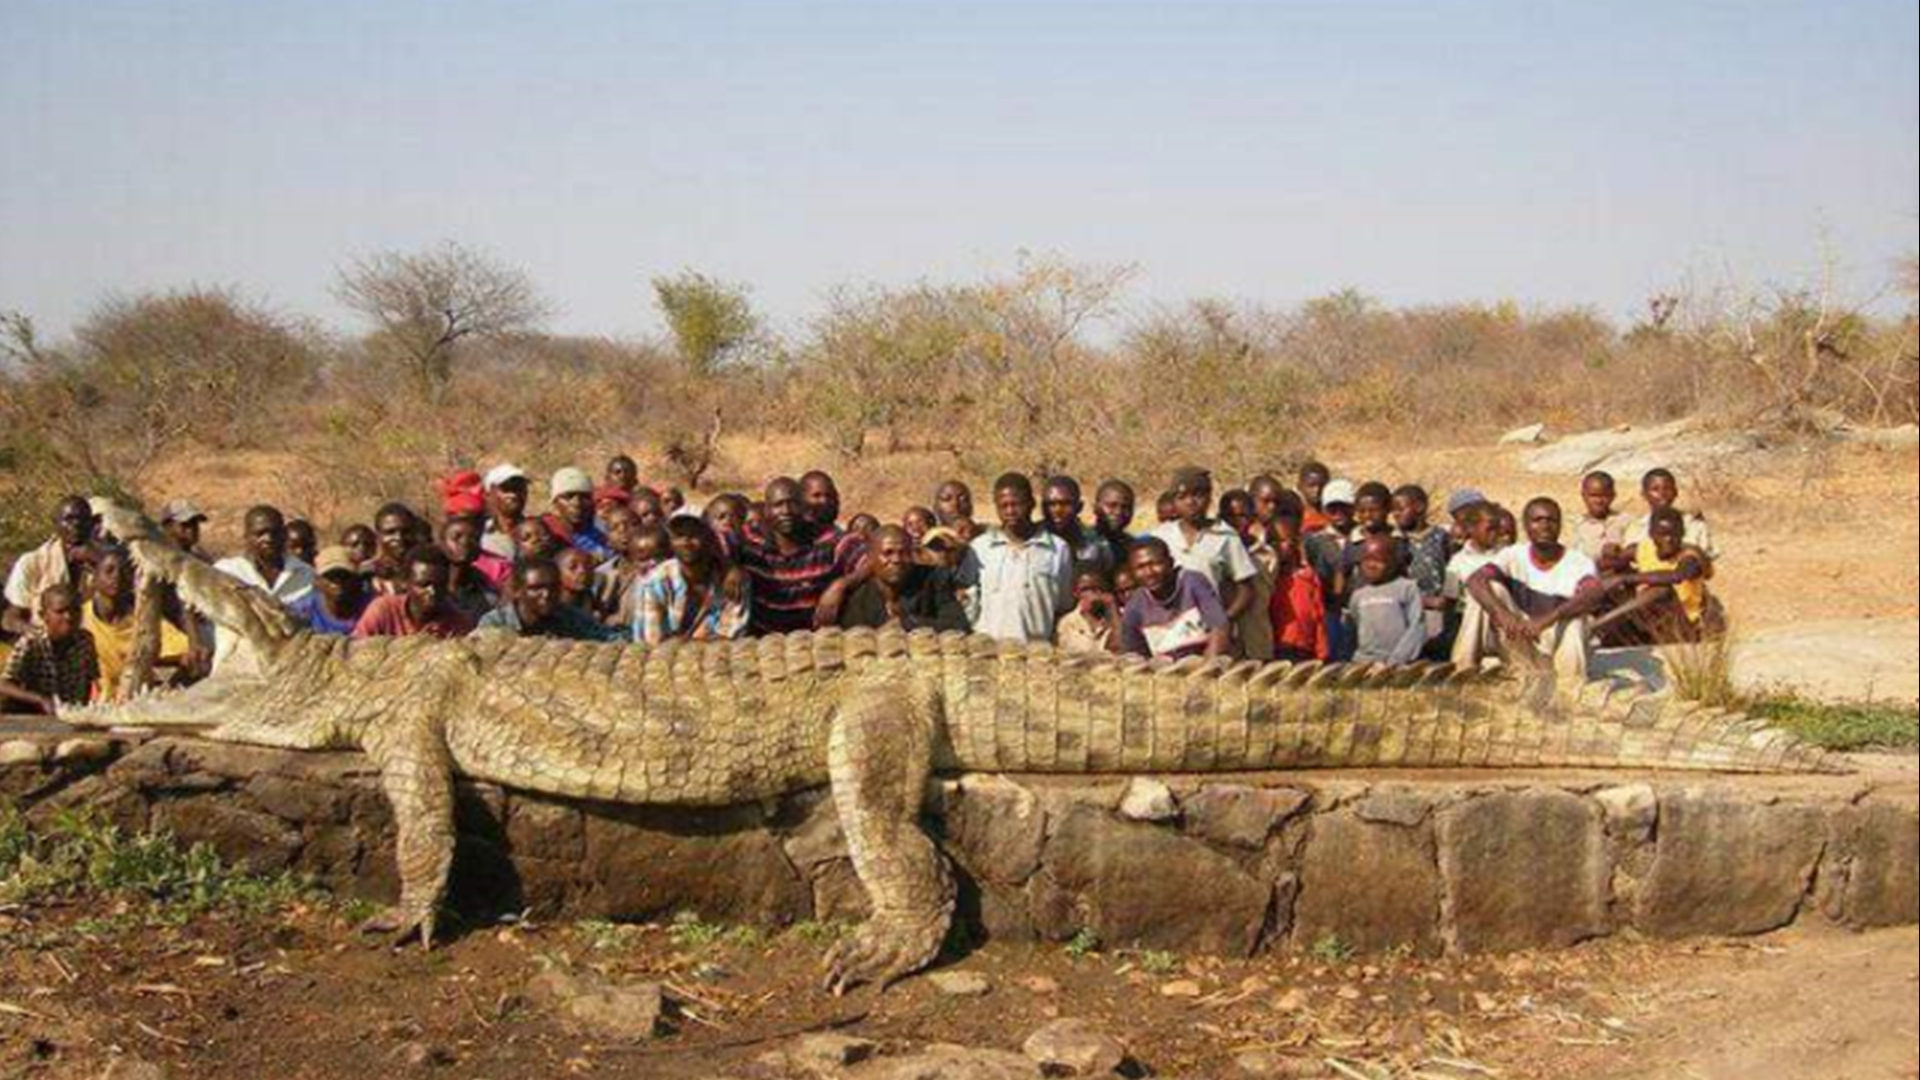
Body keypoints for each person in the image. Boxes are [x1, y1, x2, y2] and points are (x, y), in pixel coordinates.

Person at [1461, 498, 1608, 679]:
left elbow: (1593, 593)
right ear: (1526, 526)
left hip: (1557, 649)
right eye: (1537, 520)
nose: (1545, 526)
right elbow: (1475, 580)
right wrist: (1501, 613)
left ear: (1560, 525)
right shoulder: (1512, 554)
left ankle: (1570, 686)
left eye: (1551, 520)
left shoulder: (1578, 561)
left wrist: (1549, 618)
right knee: (1489, 590)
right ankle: (1464, 670)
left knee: (1576, 619)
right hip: (1521, 643)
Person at [736, 478, 864, 636]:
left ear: (804, 508)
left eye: (793, 503)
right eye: (778, 505)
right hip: (764, 645)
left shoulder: (827, 539)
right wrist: (730, 566)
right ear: (766, 511)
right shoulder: (752, 539)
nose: (786, 511)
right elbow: (712, 540)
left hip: (816, 644)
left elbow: (872, 556)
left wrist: (842, 585)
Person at [958, 474, 1075, 644]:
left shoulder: (1057, 549)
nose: (1010, 511)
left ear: (1031, 503)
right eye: (1003, 506)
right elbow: (967, 599)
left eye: (1016, 504)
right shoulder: (980, 548)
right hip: (988, 651)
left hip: (1036, 653)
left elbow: (1063, 604)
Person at [1151, 468, 1259, 651]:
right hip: (1169, 632)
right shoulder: (1161, 536)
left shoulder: (1225, 536)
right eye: (1182, 497)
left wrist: (1223, 621)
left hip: (1211, 636)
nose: (1191, 502)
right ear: (1174, 502)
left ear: (1209, 497)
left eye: (1198, 495)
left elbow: (1246, 589)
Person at [1594, 508, 1722, 644]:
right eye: (1662, 534)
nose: (1669, 540)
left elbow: (1676, 576)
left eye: (1674, 534)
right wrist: (1609, 555)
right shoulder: (1643, 549)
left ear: (1683, 533)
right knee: (1611, 578)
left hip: (1682, 628)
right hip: (1649, 624)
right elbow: (1609, 562)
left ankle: (1596, 625)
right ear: (1651, 534)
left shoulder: (1691, 555)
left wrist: (1625, 578)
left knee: (1661, 591)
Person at [212, 506, 314, 675]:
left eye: (275, 533)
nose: (268, 539)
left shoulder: (306, 574)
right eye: (259, 533)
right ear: (246, 537)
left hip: (289, 673)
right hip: (233, 670)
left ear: (284, 535)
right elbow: (191, 606)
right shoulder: (226, 571)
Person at [83, 545, 193, 702]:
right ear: (94, 576)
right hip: (93, 706)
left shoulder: (145, 619)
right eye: (109, 571)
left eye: (124, 572)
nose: (116, 577)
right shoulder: (79, 619)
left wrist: (166, 684)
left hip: (137, 704)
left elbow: (189, 655)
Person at [635, 517, 751, 643]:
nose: (686, 543)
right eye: (679, 537)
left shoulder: (734, 580)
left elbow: (731, 636)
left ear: (709, 541)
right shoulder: (657, 580)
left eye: (694, 536)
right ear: (671, 544)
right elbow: (652, 640)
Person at [837, 526, 969, 633]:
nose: (897, 560)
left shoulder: (933, 580)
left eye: (904, 553)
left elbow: (959, 625)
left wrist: (908, 623)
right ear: (871, 558)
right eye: (888, 553)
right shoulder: (860, 598)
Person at [1118, 538, 1231, 660]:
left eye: (1156, 564)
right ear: (1132, 572)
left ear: (1171, 563)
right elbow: (1133, 654)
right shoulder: (1135, 605)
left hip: (1206, 664)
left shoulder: (1192, 582)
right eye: (1140, 568)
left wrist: (1206, 669)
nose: (1149, 573)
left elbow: (1219, 628)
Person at [4, 496, 98, 636]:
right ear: (56, 524)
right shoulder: (32, 563)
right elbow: (10, 619)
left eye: (82, 519)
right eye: (68, 519)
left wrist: (98, 561)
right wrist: (39, 636)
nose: (76, 524)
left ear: (92, 524)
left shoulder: (105, 563)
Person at [1, 585, 98, 714]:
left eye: (75, 610)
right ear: (43, 615)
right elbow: (4, 685)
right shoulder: (32, 643)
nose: (68, 617)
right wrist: (40, 700)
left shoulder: (85, 640)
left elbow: (90, 679)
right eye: (60, 612)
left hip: (72, 712)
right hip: (38, 716)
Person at [477, 559, 622, 641]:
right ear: (517, 591)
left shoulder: (569, 616)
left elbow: (610, 638)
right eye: (536, 588)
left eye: (553, 587)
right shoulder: (495, 624)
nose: (546, 594)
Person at [352, 547, 477, 639]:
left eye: (439, 585)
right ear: (405, 583)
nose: (432, 592)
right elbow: (356, 649)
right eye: (423, 585)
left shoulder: (459, 623)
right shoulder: (383, 610)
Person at [1347, 535, 1429, 666]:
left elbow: (1416, 627)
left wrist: (1396, 660)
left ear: (1393, 563)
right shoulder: (1358, 594)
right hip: (1364, 662)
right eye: (1366, 560)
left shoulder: (1407, 588)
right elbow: (1355, 625)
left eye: (1379, 560)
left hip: (1398, 663)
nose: (1371, 565)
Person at [1393, 484, 1452, 652]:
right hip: (1408, 609)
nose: (1395, 514)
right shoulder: (1396, 541)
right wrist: (1424, 600)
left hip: (1440, 610)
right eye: (1393, 510)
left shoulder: (1441, 536)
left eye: (1400, 508)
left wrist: (1448, 598)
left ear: (1420, 507)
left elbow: (1452, 569)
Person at [1267, 518, 1330, 662]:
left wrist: (1322, 652)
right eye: (1271, 542)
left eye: (1282, 541)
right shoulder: (1268, 578)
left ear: (1295, 542)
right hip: (1277, 647)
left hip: (1304, 647)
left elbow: (1319, 615)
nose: (1276, 547)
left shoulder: (1308, 577)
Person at [1624, 468, 1718, 561]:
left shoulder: (1694, 525)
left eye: (1667, 488)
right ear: (1644, 494)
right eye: (1655, 489)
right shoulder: (1636, 527)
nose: (1662, 494)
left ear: (1675, 492)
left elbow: (1701, 559)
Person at [1043, 477, 1115, 580]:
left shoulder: (1097, 544)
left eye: (1065, 504)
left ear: (1079, 507)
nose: (1057, 510)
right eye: (1051, 504)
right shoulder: (1031, 541)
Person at [288, 547, 372, 635]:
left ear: (356, 580)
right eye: (330, 576)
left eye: (344, 575)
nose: (338, 582)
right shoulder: (302, 611)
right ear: (317, 582)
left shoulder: (372, 608)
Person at [543, 467, 614, 560]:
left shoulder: (604, 529)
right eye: (568, 497)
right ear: (555, 502)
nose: (577, 503)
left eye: (584, 497)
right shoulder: (548, 537)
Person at [442, 514, 501, 619]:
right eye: (456, 537)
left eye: (474, 538)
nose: (465, 542)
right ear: (442, 544)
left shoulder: (486, 589)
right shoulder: (428, 582)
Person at [1055, 568, 1122, 655]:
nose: (1093, 594)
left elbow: (1118, 647)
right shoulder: (1067, 623)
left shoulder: (1113, 620)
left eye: (1098, 589)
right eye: (1086, 589)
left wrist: (1112, 608)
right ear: (1076, 593)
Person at [1574, 471, 1631, 571]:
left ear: (1613, 496)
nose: (1599, 501)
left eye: (1604, 496)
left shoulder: (1626, 522)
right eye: (1593, 496)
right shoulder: (1574, 525)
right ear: (1584, 496)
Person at [368, 503, 422, 597]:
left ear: (415, 533)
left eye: (406, 532)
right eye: (390, 532)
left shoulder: (428, 570)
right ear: (378, 536)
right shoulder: (366, 576)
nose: (399, 538)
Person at [481, 464, 532, 561]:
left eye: (519, 488)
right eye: (506, 488)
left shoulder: (538, 532)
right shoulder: (481, 535)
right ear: (489, 494)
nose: (514, 494)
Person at [1092, 480, 1136, 565]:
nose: (1118, 512)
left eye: (1125, 507)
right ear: (1096, 507)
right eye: (1112, 505)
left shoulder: (1132, 545)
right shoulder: (1084, 542)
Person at [554, 547, 601, 616]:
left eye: (587, 566)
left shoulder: (588, 597)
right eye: (572, 567)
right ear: (557, 572)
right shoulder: (551, 605)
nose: (582, 571)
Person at [1297, 461, 1333, 534]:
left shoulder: (1334, 511)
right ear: (1300, 486)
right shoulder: (1294, 512)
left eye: (1322, 485)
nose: (1317, 490)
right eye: (1311, 486)